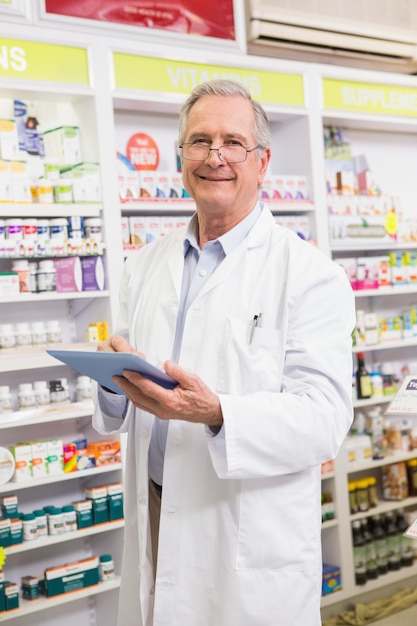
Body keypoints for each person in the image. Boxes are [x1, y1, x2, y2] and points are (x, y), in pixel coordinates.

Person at [92, 79, 355, 626]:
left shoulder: (309, 275)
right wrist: (110, 381)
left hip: (243, 528)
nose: (215, 156)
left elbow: (324, 419)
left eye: (233, 142)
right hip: (156, 507)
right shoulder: (144, 265)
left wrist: (217, 413)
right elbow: (122, 392)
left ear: (262, 161)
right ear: (180, 159)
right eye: (199, 141)